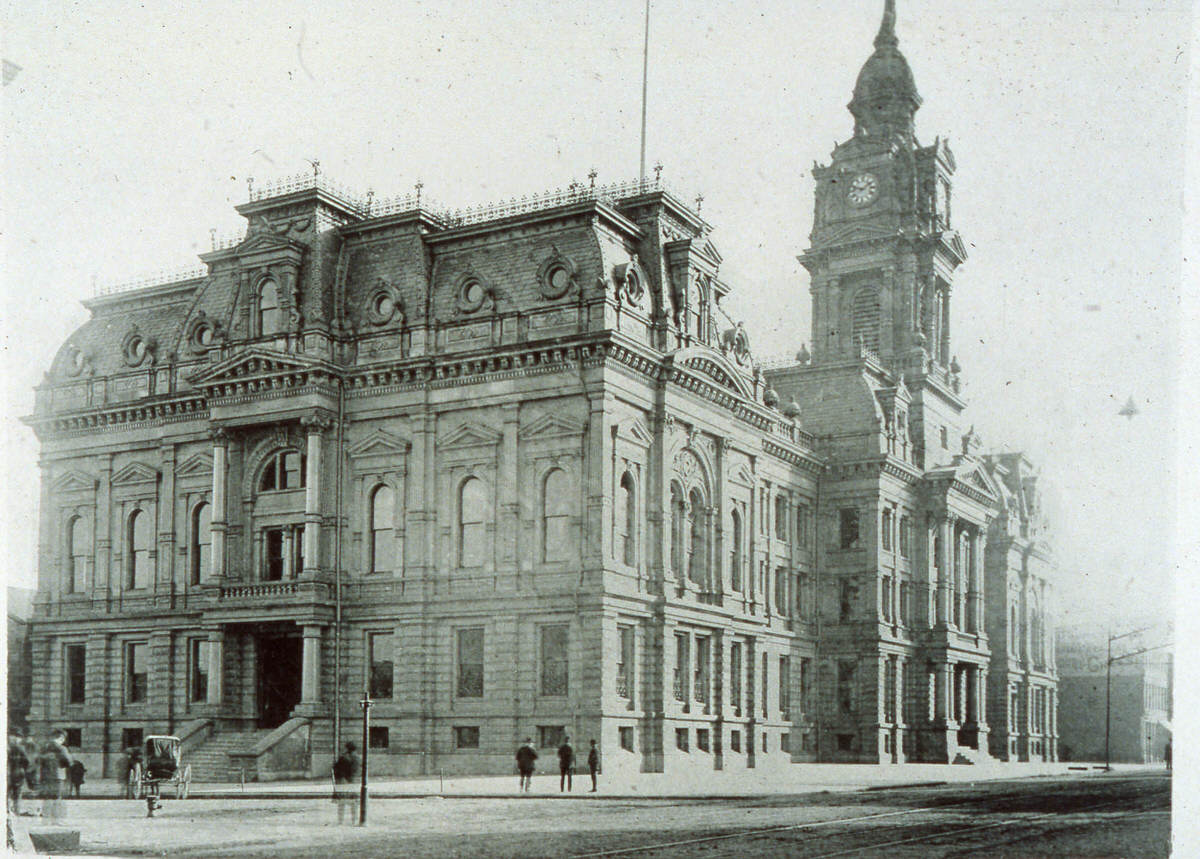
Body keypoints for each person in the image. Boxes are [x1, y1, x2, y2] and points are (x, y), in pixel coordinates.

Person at [38, 729, 72, 824]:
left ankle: (45, 820)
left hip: (45, 775)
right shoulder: (62, 748)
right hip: (58, 775)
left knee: (47, 797)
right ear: (61, 738)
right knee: (57, 798)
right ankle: (56, 820)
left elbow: (38, 760)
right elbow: (68, 761)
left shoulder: (44, 748)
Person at [331, 742, 360, 824]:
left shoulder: (343, 758)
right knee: (354, 802)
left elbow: (336, 769)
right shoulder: (357, 758)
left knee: (341, 803)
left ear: (347, 748)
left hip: (343, 782)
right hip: (353, 782)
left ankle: (340, 820)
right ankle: (354, 820)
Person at [8, 735, 30, 815]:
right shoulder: (20, 748)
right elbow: (27, 761)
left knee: (7, 791)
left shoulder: (7, 747)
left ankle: (7, 809)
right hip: (17, 772)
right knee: (17, 792)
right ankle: (16, 810)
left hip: (8, 772)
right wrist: (23, 769)